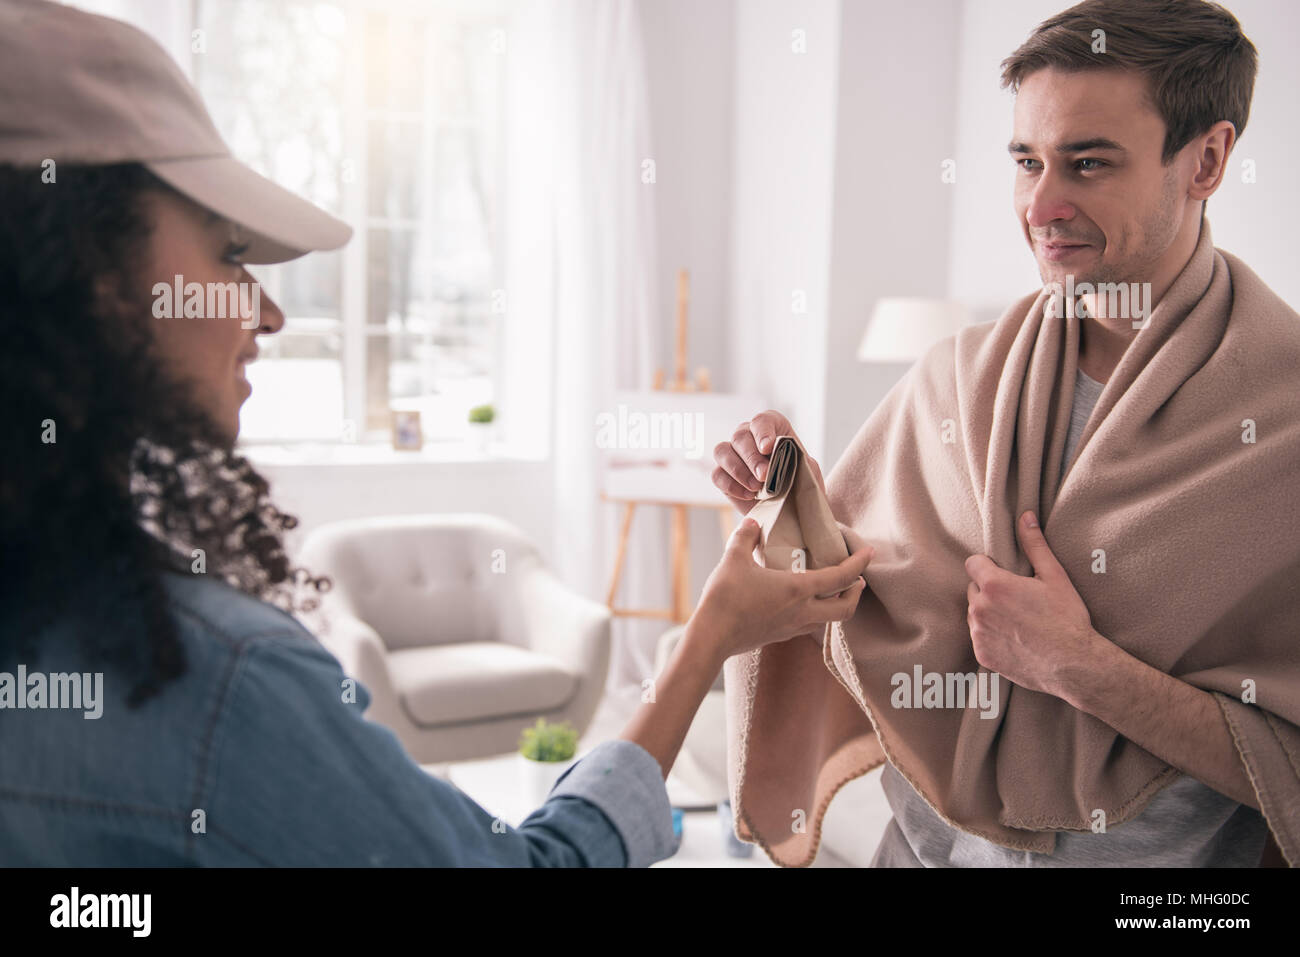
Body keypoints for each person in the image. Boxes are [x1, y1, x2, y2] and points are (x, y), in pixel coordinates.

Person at [0, 0, 874, 866]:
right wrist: (706, 638)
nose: (266, 311)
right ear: (86, 267)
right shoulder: (216, 682)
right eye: (230, 253)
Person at [713, 0, 1290, 867]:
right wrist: (786, 491)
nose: (1041, 205)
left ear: (1205, 160)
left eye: (1089, 164)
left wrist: (1080, 666)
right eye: (1027, 161)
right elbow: (853, 590)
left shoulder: (1281, 422)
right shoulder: (957, 377)